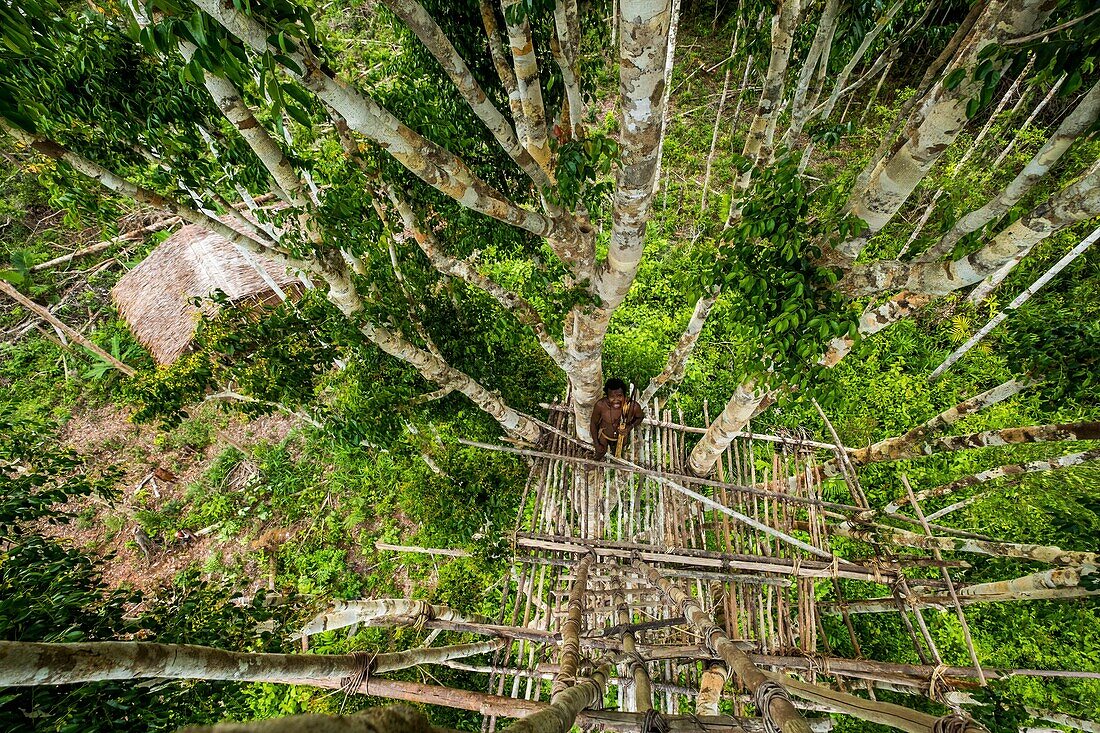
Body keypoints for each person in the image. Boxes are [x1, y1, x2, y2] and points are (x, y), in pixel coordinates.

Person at [589, 378, 644, 459]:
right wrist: (596, 444)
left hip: (622, 437)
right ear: (607, 397)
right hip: (604, 435)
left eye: (619, 396)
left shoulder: (633, 407)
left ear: (624, 395)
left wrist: (629, 427)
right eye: (612, 397)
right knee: (600, 453)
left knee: (617, 455)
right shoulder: (601, 405)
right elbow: (593, 423)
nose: (616, 400)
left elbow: (640, 417)